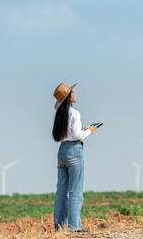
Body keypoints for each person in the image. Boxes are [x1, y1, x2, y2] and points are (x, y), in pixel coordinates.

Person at [52, 82, 97, 232]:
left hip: (62, 151)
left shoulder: (59, 114)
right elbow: (77, 135)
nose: (75, 94)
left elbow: (62, 135)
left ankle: (59, 226)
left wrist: (80, 131)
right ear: (68, 97)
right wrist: (89, 131)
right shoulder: (75, 113)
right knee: (75, 190)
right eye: (72, 92)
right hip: (74, 151)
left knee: (61, 190)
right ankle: (74, 227)